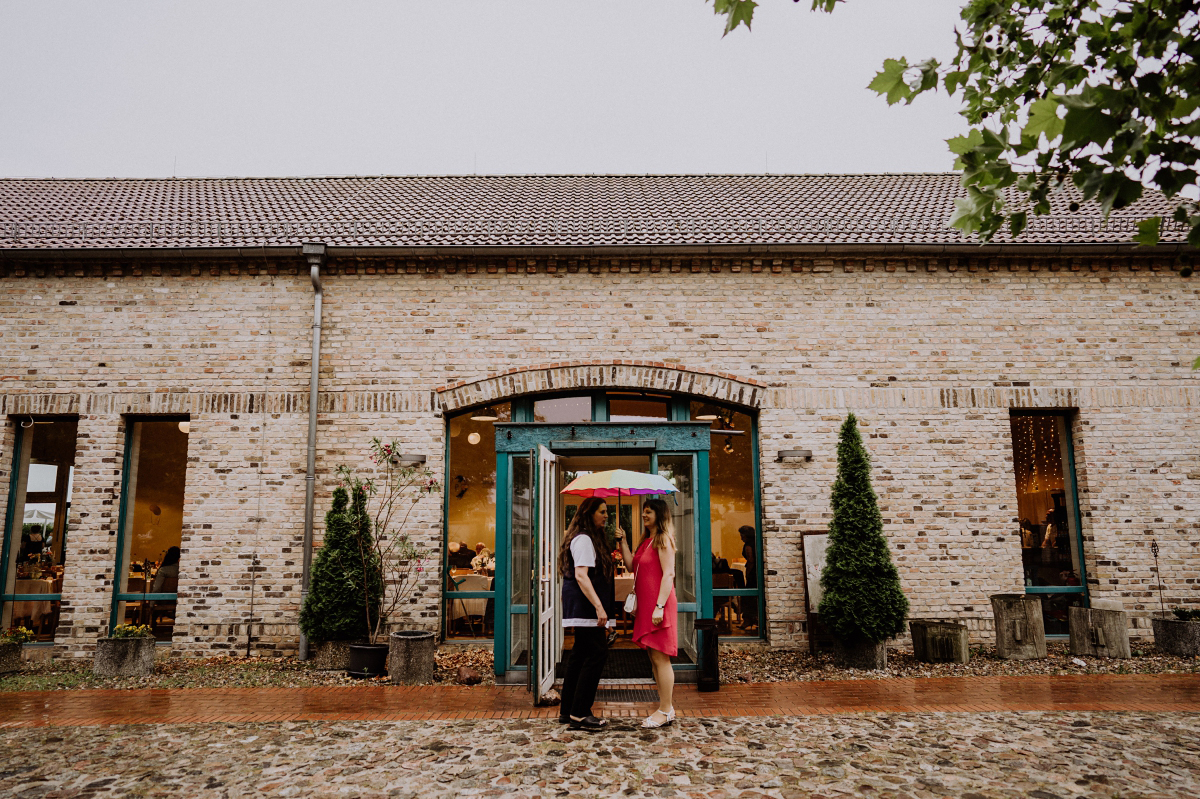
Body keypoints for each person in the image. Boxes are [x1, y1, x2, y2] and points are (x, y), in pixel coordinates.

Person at [557, 496, 622, 731]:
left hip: (583, 607)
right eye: (602, 512)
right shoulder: (583, 539)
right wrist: (599, 607)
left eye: (606, 512)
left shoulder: (588, 538)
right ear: (589, 513)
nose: (606, 516)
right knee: (597, 653)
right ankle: (580, 712)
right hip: (586, 608)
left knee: (580, 654)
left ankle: (568, 710)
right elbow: (581, 576)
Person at [626, 498, 678, 729]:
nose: (644, 515)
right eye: (643, 512)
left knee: (660, 657)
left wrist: (659, 606)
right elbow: (631, 567)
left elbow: (668, 575)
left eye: (648, 512)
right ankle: (664, 707)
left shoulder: (663, 540)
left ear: (659, 514)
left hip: (659, 605)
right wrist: (623, 543)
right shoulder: (645, 541)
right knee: (653, 658)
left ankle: (666, 710)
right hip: (648, 606)